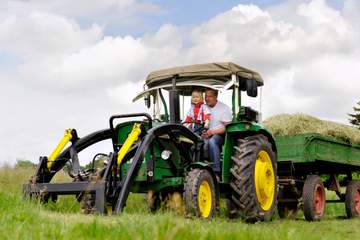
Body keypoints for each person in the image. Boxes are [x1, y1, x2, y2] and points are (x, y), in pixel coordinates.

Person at [202, 89, 232, 180]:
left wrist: (212, 132)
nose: (207, 99)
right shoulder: (203, 107)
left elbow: (227, 127)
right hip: (206, 134)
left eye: (210, 96)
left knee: (212, 142)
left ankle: (216, 172)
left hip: (220, 135)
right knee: (197, 144)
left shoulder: (224, 108)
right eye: (205, 96)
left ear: (216, 97)